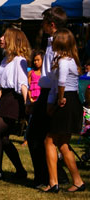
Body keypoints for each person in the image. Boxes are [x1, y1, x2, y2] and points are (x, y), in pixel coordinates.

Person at [28, 7, 70, 188]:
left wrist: (50, 101)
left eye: (44, 22)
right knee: (40, 137)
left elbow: (55, 76)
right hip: (46, 94)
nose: (42, 25)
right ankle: (51, 176)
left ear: (51, 24)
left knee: (39, 137)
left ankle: (48, 177)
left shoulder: (56, 45)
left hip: (49, 94)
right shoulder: (51, 42)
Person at [0, 28, 30, 180]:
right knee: (4, 138)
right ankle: (20, 171)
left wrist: (26, 103)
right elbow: (0, 84)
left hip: (14, 101)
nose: (1, 38)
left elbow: (23, 84)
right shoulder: (5, 60)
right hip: (5, 100)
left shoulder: (19, 60)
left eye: (4, 36)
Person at [42, 28, 86, 193]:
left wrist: (58, 99)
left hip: (66, 100)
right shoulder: (72, 60)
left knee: (50, 140)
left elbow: (61, 82)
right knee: (63, 143)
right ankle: (78, 181)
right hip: (72, 100)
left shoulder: (63, 61)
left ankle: (53, 182)